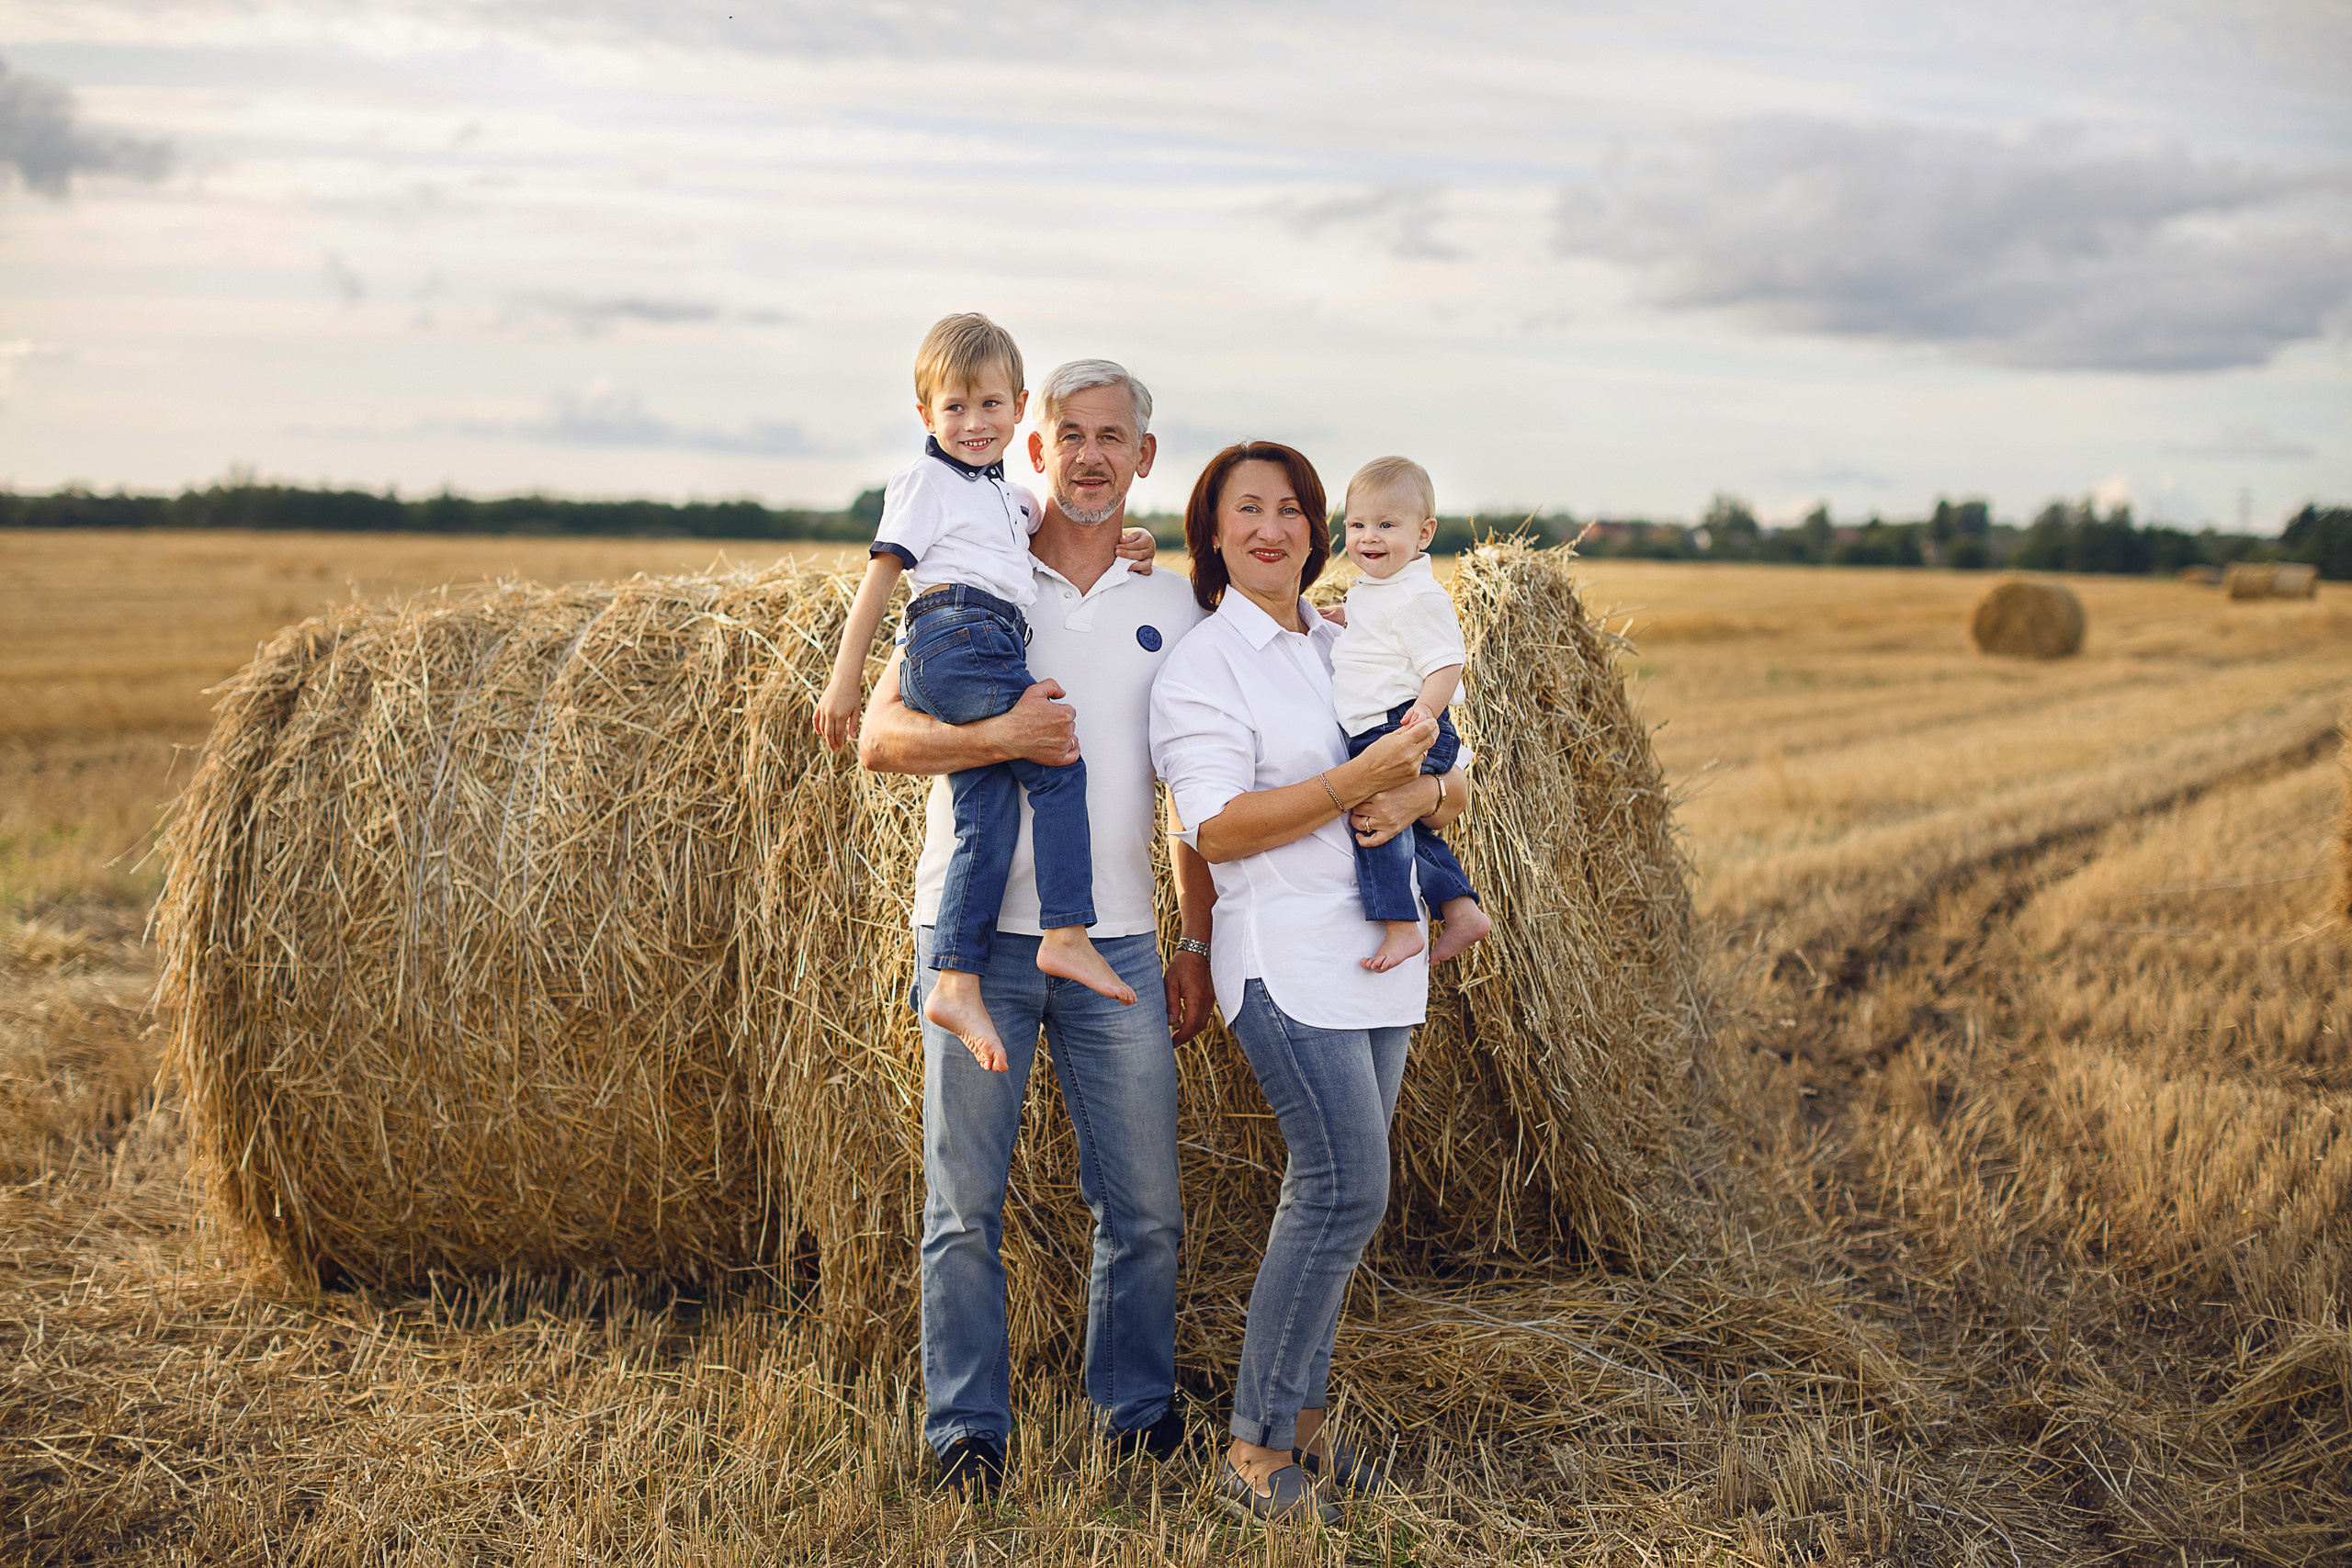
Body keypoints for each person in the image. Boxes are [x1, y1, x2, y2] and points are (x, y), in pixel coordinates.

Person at [856, 358, 1216, 1500]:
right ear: (1035, 448)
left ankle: (1136, 1414)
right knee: (963, 1207)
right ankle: (967, 1428)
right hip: (971, 945)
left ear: (1144, 458)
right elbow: (878, 740)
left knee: (1146, 1208)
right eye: (1071, 433)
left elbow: (1192, 794)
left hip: (1114, 945)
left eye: (1115, 436)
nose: (1093, 454)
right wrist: (1004, 735)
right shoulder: (981, 572)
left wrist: (1195, 941)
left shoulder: (1178, 602)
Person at [1148, 441, 1471, 1524]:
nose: (1272, 528)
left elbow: (1448, 772)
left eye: (1291, 509)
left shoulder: (1347, 639)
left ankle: (1306, 1425)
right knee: (1343, 1187)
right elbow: (1216, 829)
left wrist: (1422, 796)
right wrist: (1355, 783)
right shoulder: (1202, 667)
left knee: (1339, 1201)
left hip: (1378, 954)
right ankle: (1250, 1446)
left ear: (1317, 532)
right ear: (1214, 532)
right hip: (1282, 957)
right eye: (1248, 510)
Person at [815, 312, 1157, 1067]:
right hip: (958, 633)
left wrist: (1137, 541)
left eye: (991, 405)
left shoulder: (1009, 498)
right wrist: (844, 682)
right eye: (955, 408)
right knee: (1057, 762)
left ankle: (955, 978)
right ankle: (1069, 934)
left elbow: (1058, 525)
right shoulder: (925, 482)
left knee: (989, 802)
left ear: (1017, 405)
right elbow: (880, 583)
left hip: (985, 632)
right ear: (925, 416)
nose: (974, 423)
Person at [1332, 456, 1492, 973]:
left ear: (1424, 534)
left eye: (1386, 524)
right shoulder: (1376, 589)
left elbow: (1447, 662)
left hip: (1402, 721)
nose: (1368, 537)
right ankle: (1460, 906)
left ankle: (1402, 926)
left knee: (1373, 816)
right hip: (1385, 721)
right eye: (1357, 525)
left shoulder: (1418, 595)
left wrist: (1425, 710)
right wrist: (1337, 616)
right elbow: (1368, 625)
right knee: (1406, 827)